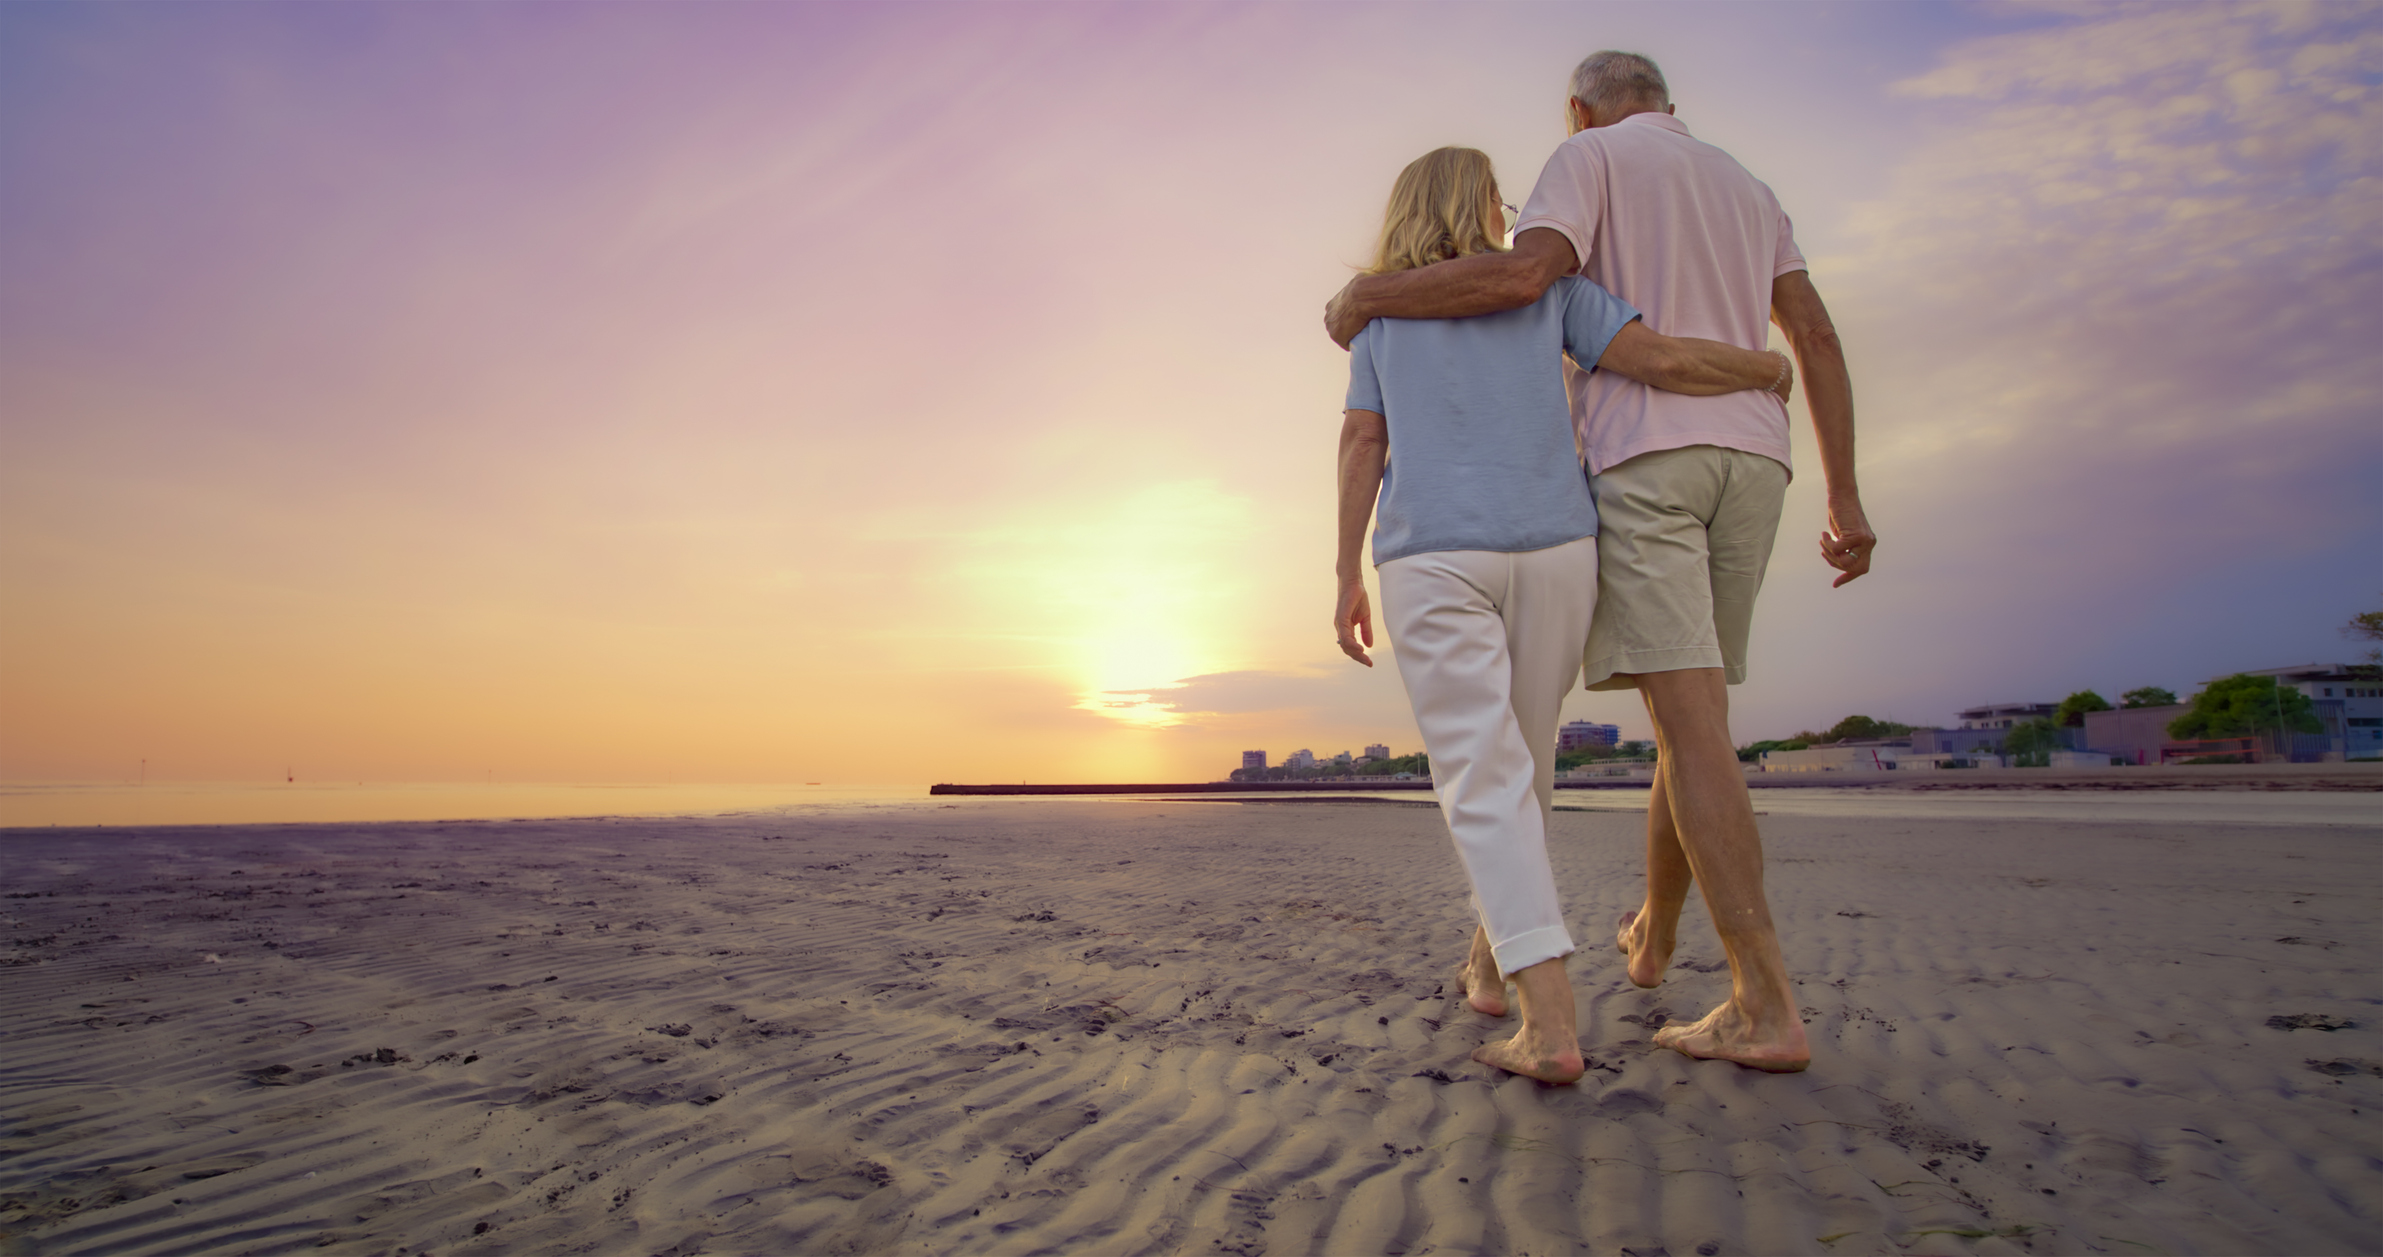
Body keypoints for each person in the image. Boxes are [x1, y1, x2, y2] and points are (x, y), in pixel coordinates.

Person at [1326, 52, 1873, 1074]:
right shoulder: (1645, 246)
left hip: (1482, 539)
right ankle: (1540, 960)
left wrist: (1345, 572)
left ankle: (1572, 1014)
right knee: (1550, 763)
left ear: (1579, 111)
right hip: (1618, 526)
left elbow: (1368, 438)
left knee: (1497, 777)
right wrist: (1770, 378)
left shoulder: (1393, 309)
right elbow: (1703, 351)